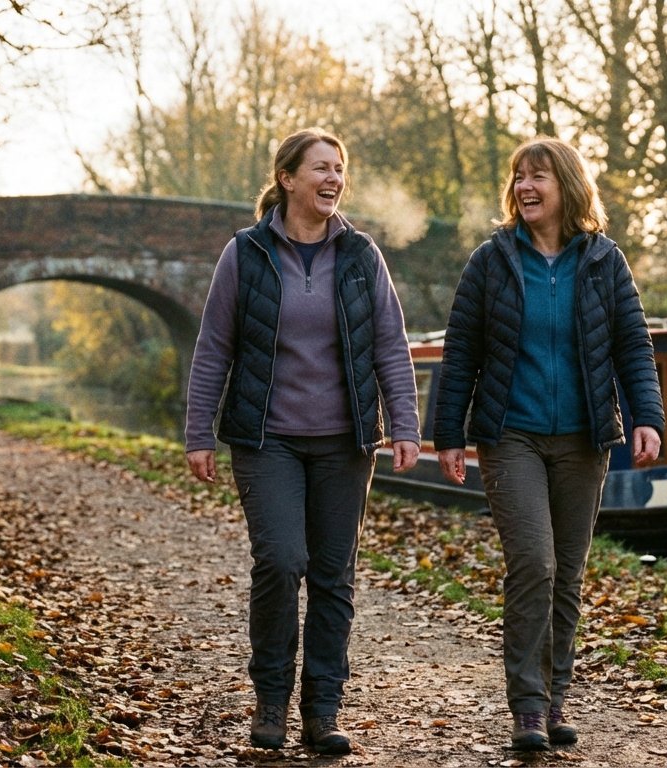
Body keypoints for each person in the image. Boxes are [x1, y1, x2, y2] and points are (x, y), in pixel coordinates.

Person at [184, 128, 420, 756]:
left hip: (345, 442)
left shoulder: (362, 255)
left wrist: (404, 422)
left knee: (334, 574)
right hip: (268, 440)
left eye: (340, 168)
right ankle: (270, 703)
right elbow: (214, 347)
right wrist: (198, 432)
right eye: (321, 167)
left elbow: (390, 345)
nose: (333, 178)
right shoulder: (246, 254)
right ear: (288, 178)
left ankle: (322, 708)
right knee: (283, 561)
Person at [433, 136, 665, 751]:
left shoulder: (604, 260)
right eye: (518, 178)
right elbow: (461, 353)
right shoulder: (491, 261)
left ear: (567, 185)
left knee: (567, 574)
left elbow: (632, 347)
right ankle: (528, 708)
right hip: (511, 436)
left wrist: (648, 417)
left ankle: (555, 697)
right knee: (534, 564)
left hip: (585, 441)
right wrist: (448, 433)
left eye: (538, 176)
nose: (525, 188)